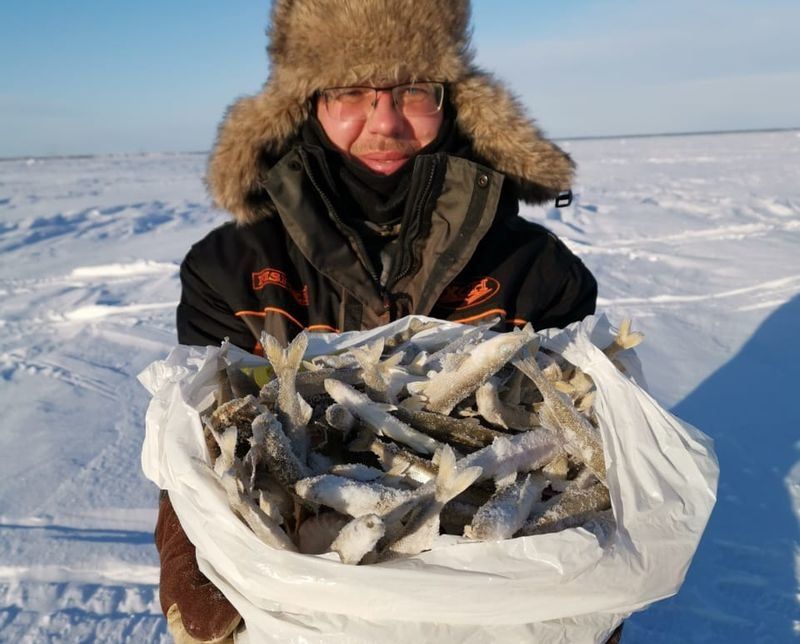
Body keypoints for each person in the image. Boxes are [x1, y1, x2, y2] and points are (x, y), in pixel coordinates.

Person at [155, 1, 609, 642]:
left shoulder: (539, 270)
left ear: (454, 101)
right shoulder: (227, 268)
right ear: (306, 103)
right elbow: (203, 434)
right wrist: (184, 544)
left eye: (414, 92)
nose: (385, 122)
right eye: (350, 93)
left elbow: (583, 444)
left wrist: (591, 574)